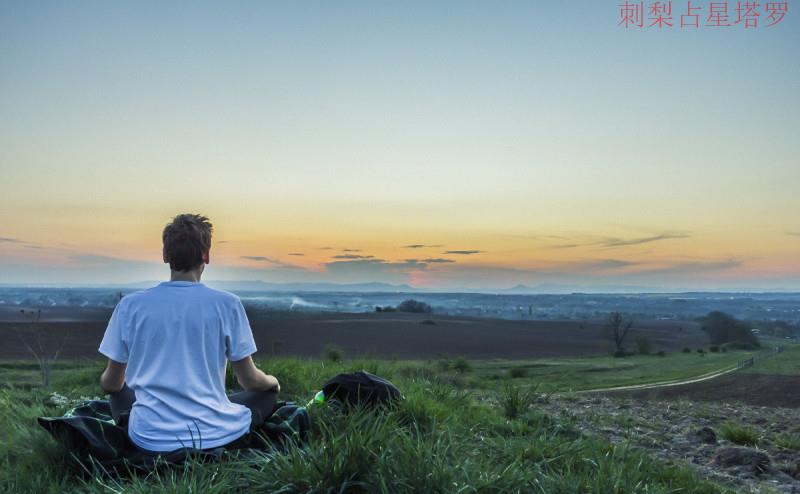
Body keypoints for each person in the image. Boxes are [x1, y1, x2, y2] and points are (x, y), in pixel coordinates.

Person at [97, 213, 280, 453]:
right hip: (215, 435)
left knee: (119, 392)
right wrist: (273, 382)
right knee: (266, 396)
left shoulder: (130, 306)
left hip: (149, 438)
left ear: (165, 255)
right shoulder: (228, 304)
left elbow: (110, 384)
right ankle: (216, 415)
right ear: (206, 255)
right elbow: (250, 381)